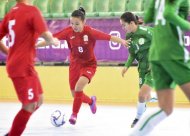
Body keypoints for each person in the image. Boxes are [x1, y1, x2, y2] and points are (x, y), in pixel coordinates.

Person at [37, 7, 130, 125]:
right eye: (71, 23)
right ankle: (91, 101)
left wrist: (122, 41)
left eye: (77, 23)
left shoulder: (90, 32)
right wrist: (35, 46)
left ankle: (74, 115)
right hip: (75, 64)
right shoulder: (68, 32)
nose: (74, 26)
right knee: (74, 94)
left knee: (79, 86)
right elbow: (51, 39)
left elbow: (109, 37)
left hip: (89, 65)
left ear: (84, 22)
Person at [130, 0, 190, 135]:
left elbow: (149, 16)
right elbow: (168, 13)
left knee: (166, 109)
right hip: (173, 53)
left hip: (156, 54)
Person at [0, 0, 58, 136]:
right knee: (29, 105)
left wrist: (10, 53)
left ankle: (13, 132)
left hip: (24, 65)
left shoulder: (10, 14)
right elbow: (45, 34)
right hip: (22, 67)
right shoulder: (31, 11)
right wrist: (53, 41)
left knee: (39, 100)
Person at [120, 12, 157, 128]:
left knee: (141, 95)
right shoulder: (128, 37)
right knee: (144, 96)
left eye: (123, 25)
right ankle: (153, 96)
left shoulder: (147, 32)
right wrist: (126, 66)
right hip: (142, 68)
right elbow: (132, 54)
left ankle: (138, 117)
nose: (123, 28)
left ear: (131, 23)